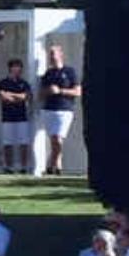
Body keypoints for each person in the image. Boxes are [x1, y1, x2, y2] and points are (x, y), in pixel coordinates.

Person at [38, 43, 81, 176]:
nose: (52, 57)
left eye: (54, 53)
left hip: (64, 110)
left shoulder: (70, 72)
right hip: (49, 110)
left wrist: (60, 90)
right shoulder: (48, 74)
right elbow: (40, 94)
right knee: (54, 140)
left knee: (58, 139)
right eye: (50, 54)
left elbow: (78, 91)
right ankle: (58, 168)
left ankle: (51, 165)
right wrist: (48, 91)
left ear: (60, 55)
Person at [0, 58, 34, 174]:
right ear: (10, 68)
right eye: (15, 66)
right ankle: (9, 167)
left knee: (23, 142)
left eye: (19, 67)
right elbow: (3, 97)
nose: (18, 69)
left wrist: (12, 94)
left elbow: (26, 97)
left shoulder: (24, 83)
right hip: (7, 117)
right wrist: (16, 96)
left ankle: (23, 167)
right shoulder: (2, 83)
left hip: (22, 117)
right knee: (8, 143)